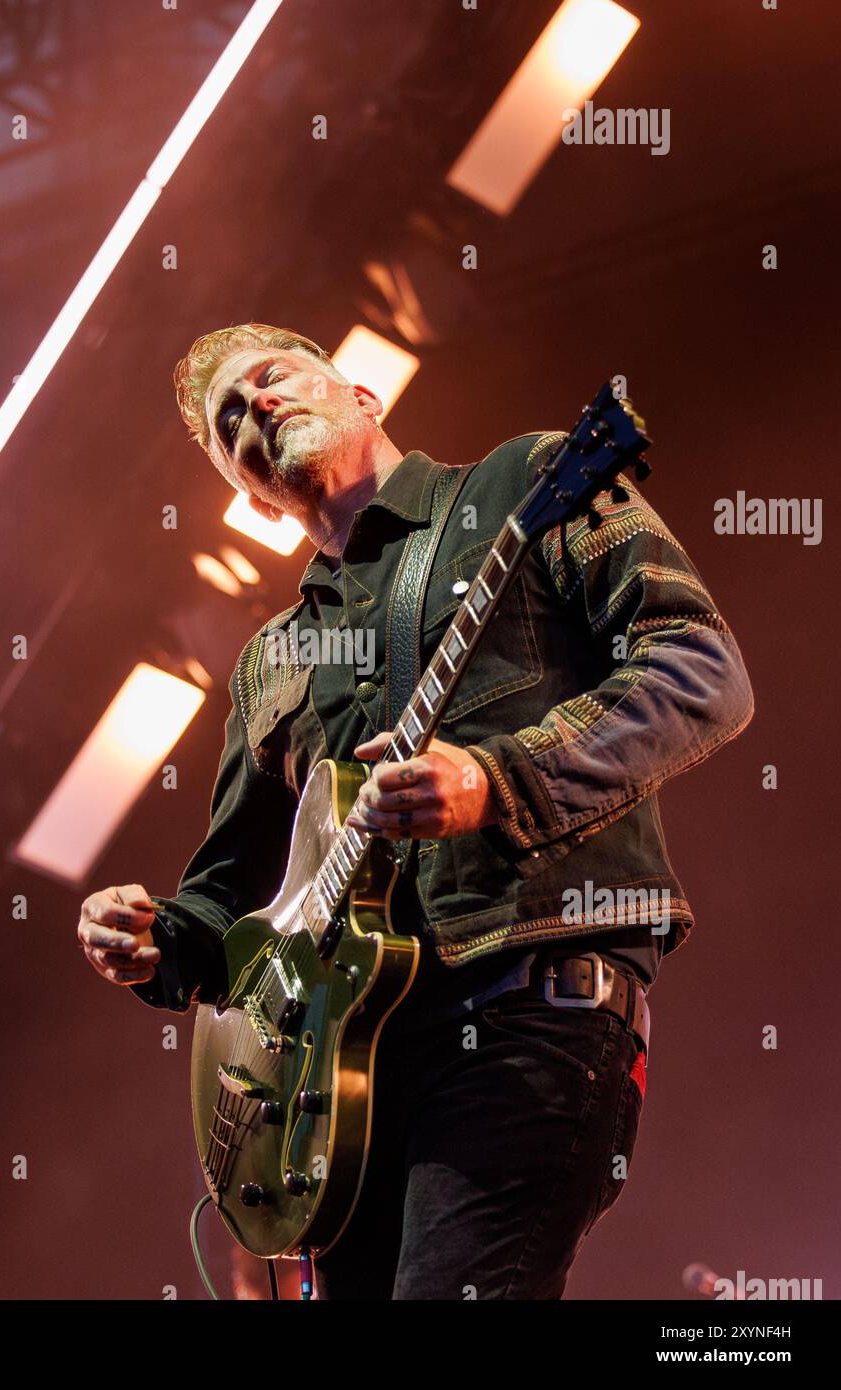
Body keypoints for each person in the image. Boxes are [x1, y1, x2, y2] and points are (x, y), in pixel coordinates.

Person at [76, 323, 754, 1299]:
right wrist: (158, 938)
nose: (254, 407)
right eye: (229, 422)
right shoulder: (272, 658)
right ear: (248, 497)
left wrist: (495, 780)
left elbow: (699, 673)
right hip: (339, 1087)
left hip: (523, 1006)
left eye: (271, 379)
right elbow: (227, 905)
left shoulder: (529, 479)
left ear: (361, 393)